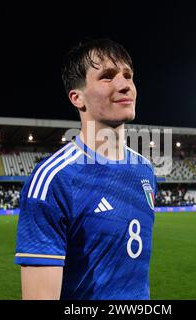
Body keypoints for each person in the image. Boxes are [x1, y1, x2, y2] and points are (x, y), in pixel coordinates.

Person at [14, 38, 157, 300]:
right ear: (77, 97)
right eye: (107, 76)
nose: (125, 85)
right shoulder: (53, 180)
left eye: (128, 75)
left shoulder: (145, 171)